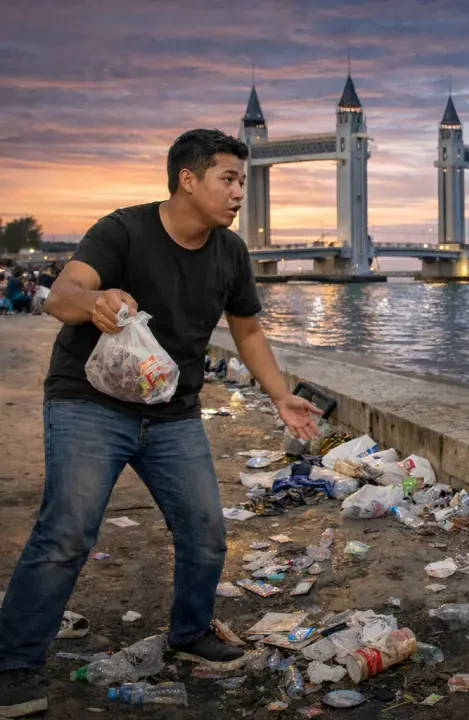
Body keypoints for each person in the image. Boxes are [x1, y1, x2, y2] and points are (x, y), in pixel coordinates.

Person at [0, 128, 324, 717]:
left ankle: (190, 633)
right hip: (89, 403)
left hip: (173, 414)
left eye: (242, 183)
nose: (237, 195)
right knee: (67, 532)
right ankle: (14, 662)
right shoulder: (124, 229)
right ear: (188, 179)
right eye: (228, 179)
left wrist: (281, 396)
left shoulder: (231, 253)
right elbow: (62, 293)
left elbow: (247, 329)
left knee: (205, 530)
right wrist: (94, 304)